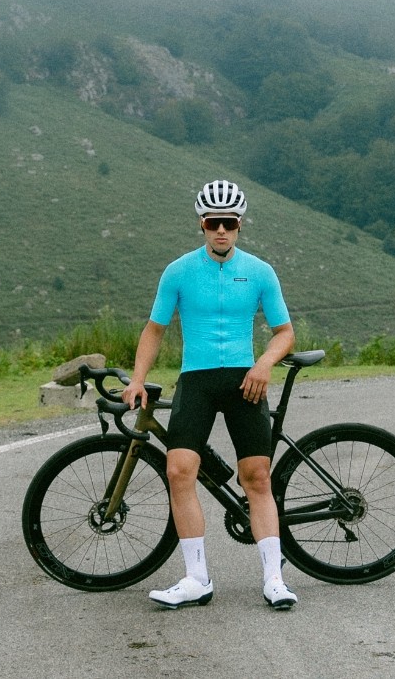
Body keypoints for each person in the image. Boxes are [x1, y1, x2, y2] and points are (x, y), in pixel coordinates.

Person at [122, 179, 299, 611]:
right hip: (196, 381)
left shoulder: (260, 271)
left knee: (257, 477)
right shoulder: (178, 271)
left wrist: (264, 364)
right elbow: (154, 330)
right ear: (201, 224)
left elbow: (285, 332)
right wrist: (137, 379)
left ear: (239, 226)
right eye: (213, 222)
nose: (221, 230)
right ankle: (196, 579)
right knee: (179, 471)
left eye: (229, 223)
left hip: (245, 381)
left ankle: (274, 580)